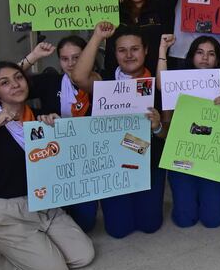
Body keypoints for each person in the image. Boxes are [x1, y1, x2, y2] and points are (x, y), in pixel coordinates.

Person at [0, 62, 94, 270]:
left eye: (19, 78)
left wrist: (57, 130)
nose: (15, 85)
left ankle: (11, 244)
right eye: (5, 82)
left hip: (45, 204)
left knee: (83, 256)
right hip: (7, 209)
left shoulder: (40, 117)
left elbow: (66, 159)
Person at [71, 22, 166, 238]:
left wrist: (157, 126)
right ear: (114, 53)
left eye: (135, 49)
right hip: (112, 166)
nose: (129, 55)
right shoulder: (105, 81)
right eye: (122, 50)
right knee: (118, 230)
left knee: (150, 225)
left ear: (146, 50)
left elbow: (166, 135)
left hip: (149, 164)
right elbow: (78, 77)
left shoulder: (157, 83)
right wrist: (97, 36)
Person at [18, 37, 97, 231]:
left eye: (77, 58)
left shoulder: (98, 81)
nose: (70, 64)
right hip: (55, 157)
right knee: (56, 219)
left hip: (90, 159)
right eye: (64, 59)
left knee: (85, 224)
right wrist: (33, 57)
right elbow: (7, 82)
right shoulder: (49, 81)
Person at [156, 34, 220, 228]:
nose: (205, 58)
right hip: (183, 155)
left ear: (217, 59)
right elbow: (162, 85)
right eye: (200, 52)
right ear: (192, 56)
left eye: (211, 54)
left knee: (213, 220)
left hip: (211, 157)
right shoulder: (178, 82)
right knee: (184, 219)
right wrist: (163, 49)